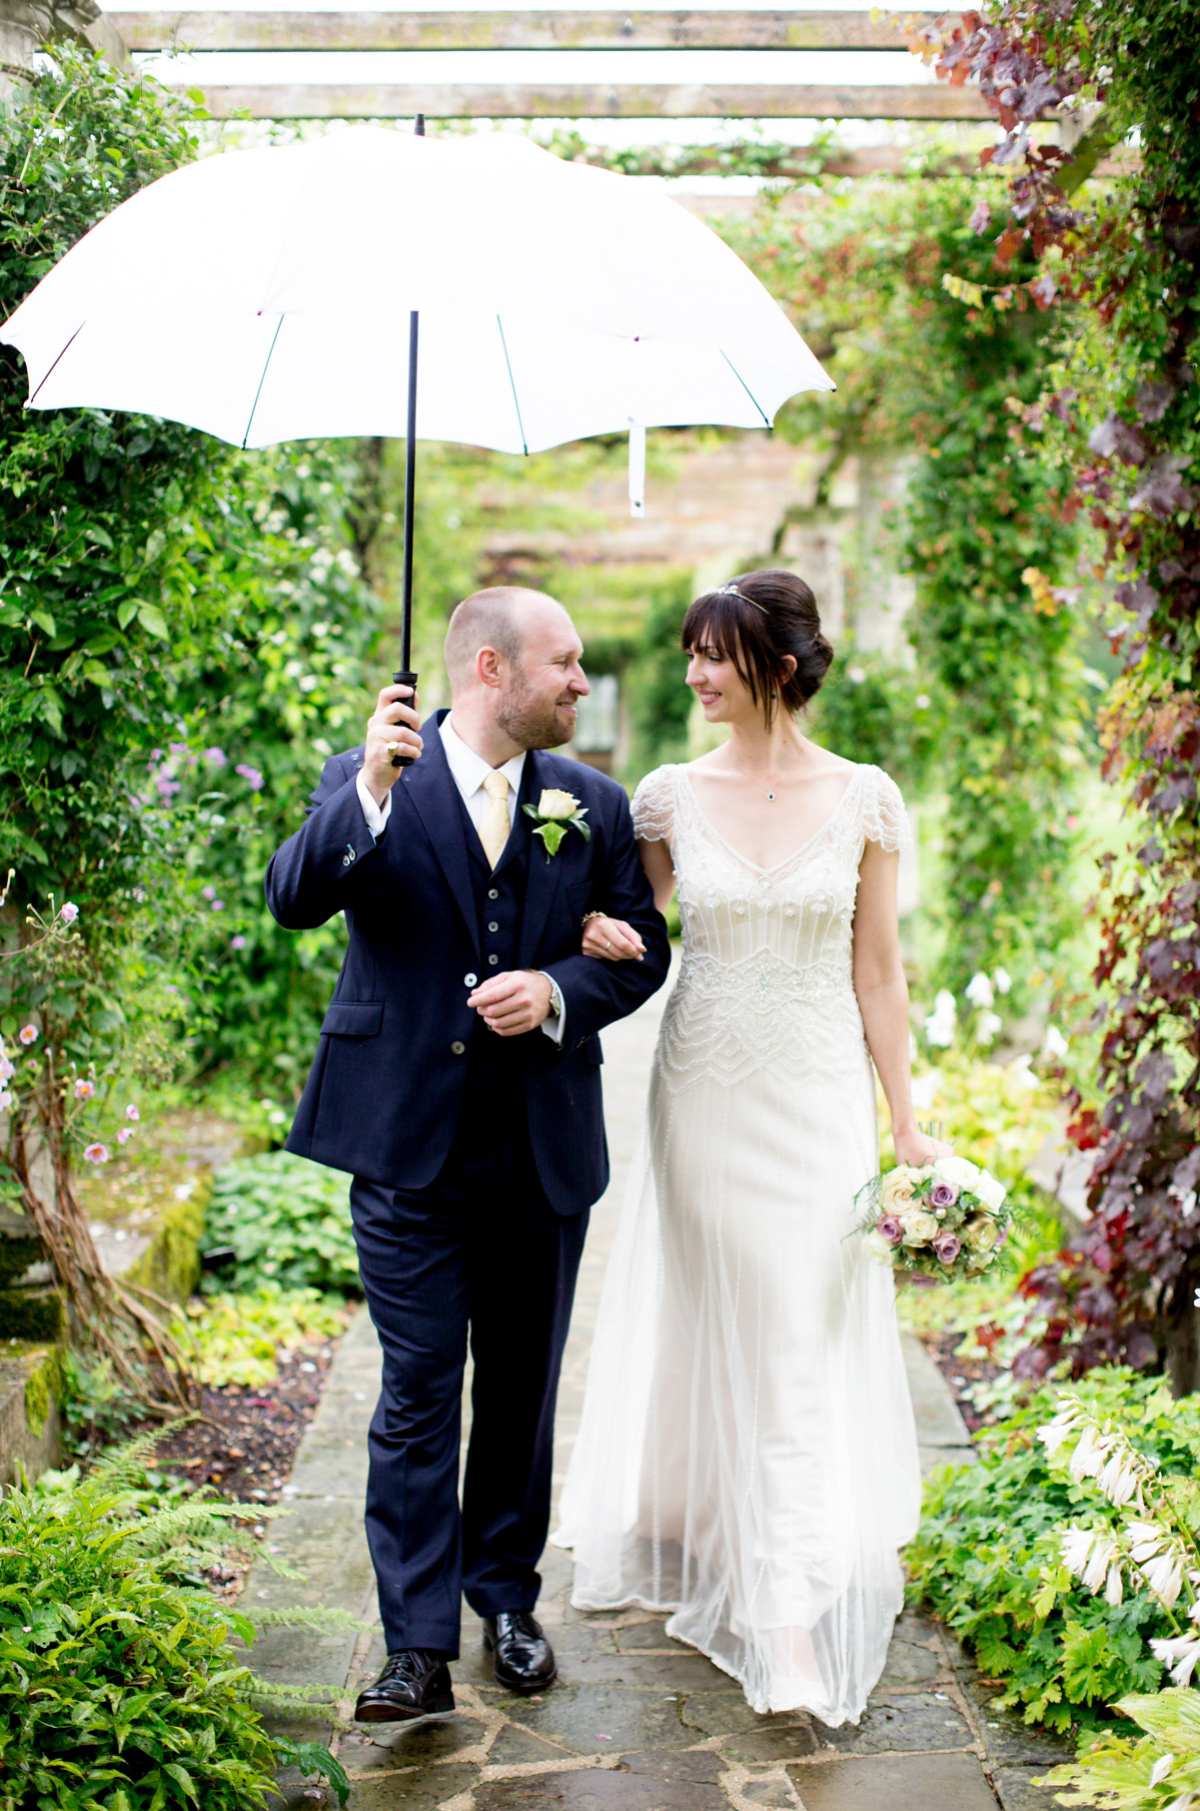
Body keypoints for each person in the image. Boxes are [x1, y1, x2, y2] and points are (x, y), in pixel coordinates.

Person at [265, 586, 670, 1725]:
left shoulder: (590, 803)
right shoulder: (368, 778)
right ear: (490, 668)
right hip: (405, 1147)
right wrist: (371, 790)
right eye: (568, 663)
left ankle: (506, 1600)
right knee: (416, 1393)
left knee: (523, 1393)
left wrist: (557, 987)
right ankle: (414, 1645)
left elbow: (643, 954)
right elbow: (293, 896)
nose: (583, 684)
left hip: (543, 1151)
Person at [554, 569, 946, 1724]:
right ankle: (777, 1610)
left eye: (710, 654)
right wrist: (594, 927)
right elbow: (629, 927)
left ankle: (776, 1577)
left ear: (775, 662)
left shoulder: (866, 799)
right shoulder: (668, 797)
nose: (692, 673)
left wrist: (908, 1121)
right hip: (708, 1092)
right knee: (745, 1319)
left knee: (798, 1330)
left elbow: (879, 970)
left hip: (821, 1098)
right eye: (685, 652)